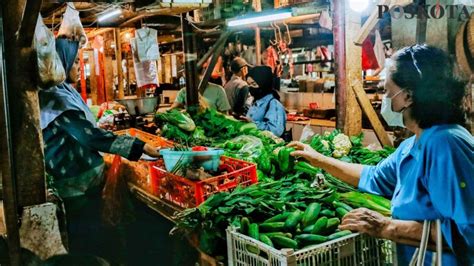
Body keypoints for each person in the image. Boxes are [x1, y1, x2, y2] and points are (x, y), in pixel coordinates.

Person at [289, 45, 473, 265]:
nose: (385, 99)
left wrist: (386, 227)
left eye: (387, 91)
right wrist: (317, 158)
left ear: (408, 96)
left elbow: (466, 231)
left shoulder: (446, 144)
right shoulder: (412, 145)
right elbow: (374, 177)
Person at [39, 37, 161, 262]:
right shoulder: (56, 99)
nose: (78, 67)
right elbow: (91, 137)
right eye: (75, 62)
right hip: (76, 190)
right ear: (62, 63)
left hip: (83, 186)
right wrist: (139, 146)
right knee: (91, 243)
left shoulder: (65, 92)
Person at [245, 66, 286, 137]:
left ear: (264, 83)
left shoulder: (274, 104)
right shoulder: (256, 101)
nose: (250, 87)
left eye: (254, 84)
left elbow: (275, 131)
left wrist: (252, 124)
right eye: (249, 84)